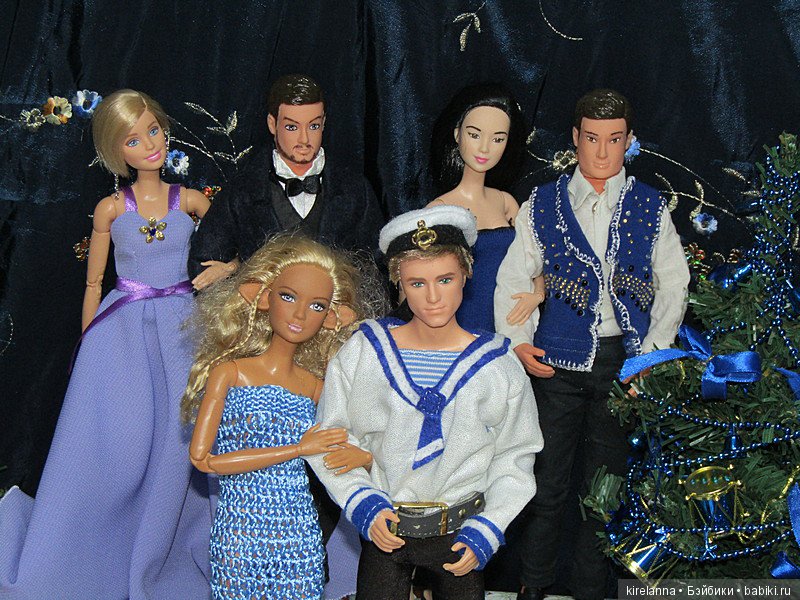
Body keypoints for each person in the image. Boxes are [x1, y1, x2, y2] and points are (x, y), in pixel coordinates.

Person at [0, 89, 215, 599]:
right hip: (124, 329)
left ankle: (182, 540)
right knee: (122, 438)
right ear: (116, 151)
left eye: (153, 131)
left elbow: (228, 248)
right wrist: (89, 343)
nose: (149, 145)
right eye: (133, 140)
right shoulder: (110, 208)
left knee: (185, 431)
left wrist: (225, 269)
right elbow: (94, 282)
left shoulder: (191, 200)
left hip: (183, 325)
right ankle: (99, 542)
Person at [494, 89, 690, 600]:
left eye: (614, 139)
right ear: (575, 139)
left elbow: (673, 281)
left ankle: (591, 587)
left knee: (604, 486)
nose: (602, 152)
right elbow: (515, 276)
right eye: (592, 139)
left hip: (622, 364)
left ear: (629, 141)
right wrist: (517, 341)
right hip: (555, 362)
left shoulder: (649, 205)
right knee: (545, 481)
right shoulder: (544, 203)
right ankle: (533, 583)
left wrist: (653, 350)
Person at [307, 205, 542, 600]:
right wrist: (361, 499)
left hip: (460, 532)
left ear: (466, 274)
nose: (433, 297)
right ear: (398, 281)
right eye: (417, 283)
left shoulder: (497, 363)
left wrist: (491, 524)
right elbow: (329, 437)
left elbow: (515, 455)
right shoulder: (366, 351)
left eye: (445, 279)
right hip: (386, 527)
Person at [183, 235, 374, 599]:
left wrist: (366, 456)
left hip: (298, 530)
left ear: (332, 319)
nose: (300, 315)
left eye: (316, 306)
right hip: (240, 528)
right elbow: (203, 459)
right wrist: (296, 449)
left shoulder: (316, 387)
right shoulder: (230, 373)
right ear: (262, 296)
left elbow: (345, 449)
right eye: (288, 297)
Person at [188, 73, 384, 290]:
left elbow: (376, 268)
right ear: (272, 124)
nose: (304, 139)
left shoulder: (354, 190)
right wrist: (238, 271)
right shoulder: (242, 191)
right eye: (292, 127)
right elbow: (204, 269)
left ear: (324, 123)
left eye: (313, 126)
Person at [428, 83, 545, 333]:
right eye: (474, 135)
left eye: (498, 139)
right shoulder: (439, 210)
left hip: (510, 322)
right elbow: (421, 280)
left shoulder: (506, 202)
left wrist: (537, 295)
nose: (485, 148)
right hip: (461, 325)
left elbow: (534, 260)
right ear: (457, 134)